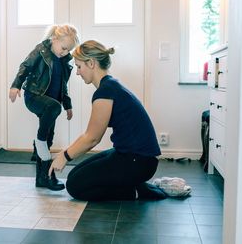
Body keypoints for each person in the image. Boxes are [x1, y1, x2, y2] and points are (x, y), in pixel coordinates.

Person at [49, 40, 166, 201]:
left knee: (75, 185)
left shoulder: (105, 92)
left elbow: (92, 138)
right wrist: (66, 154)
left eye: (78, 66)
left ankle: (134, 191)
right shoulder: (111, 85)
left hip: (138, 162)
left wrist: (64, 156)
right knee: (76, 173)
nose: (77, 72)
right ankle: (134, 184)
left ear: (91, 63)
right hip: (130, 155)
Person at [9, 24, 79, 191]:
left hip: (51, 105)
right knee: (45, 134)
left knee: (49, 137)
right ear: (54, 39)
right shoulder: (41, 50)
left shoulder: (63, 61)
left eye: (68, 50)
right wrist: (15, 85)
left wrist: (68, 105)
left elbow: (63, 86)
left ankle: (43, 178)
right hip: (34, 95)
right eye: (63, 48)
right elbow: (25, 66)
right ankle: (39, 143)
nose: (64, 52)